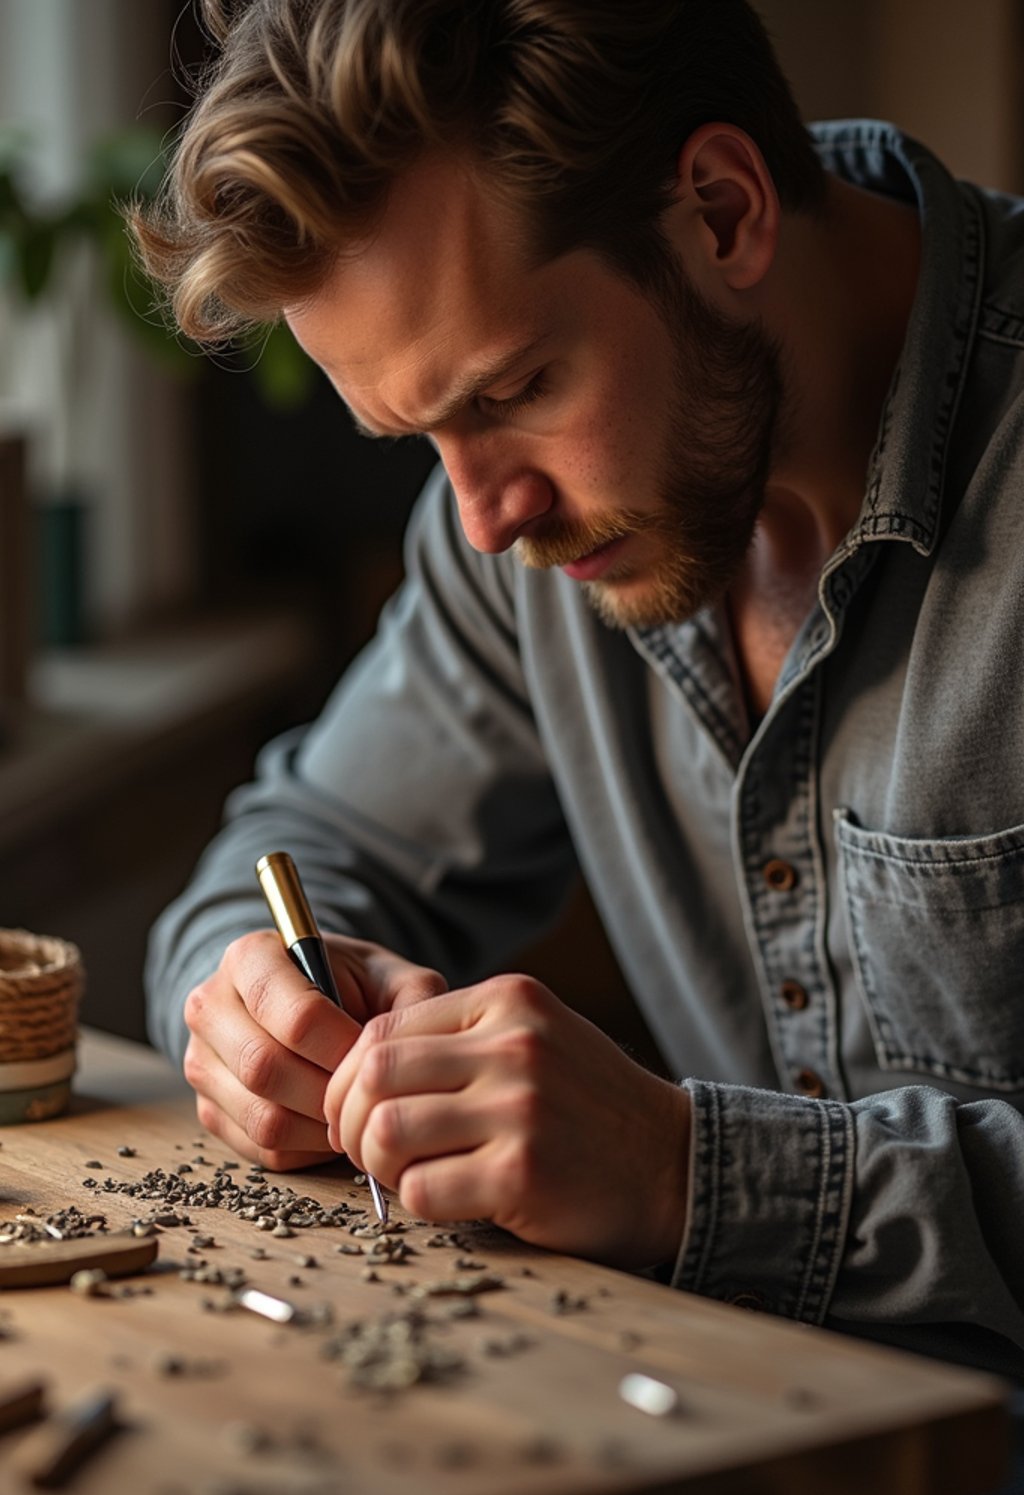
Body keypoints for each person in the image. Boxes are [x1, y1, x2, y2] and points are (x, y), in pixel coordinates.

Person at [137, 0, 1024, 1395]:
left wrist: (689, 1175)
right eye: (418, 433)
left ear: (722, 212)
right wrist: (253, 1013)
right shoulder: (534, 536)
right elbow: (289, 867)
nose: (483, 518)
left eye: (515, 390)